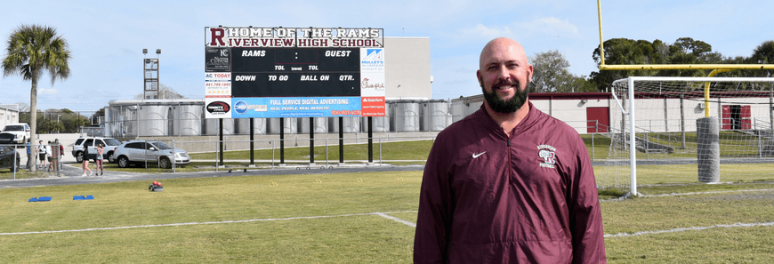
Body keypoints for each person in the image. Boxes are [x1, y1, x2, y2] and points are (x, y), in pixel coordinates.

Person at [414, 37, 606, 263]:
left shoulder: (566, 140)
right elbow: (430, 228)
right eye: (493, 67)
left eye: (512, 65)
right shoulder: (450, 143)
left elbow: (588, 225)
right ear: (480, 77)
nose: (503, 74)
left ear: (529, 72)